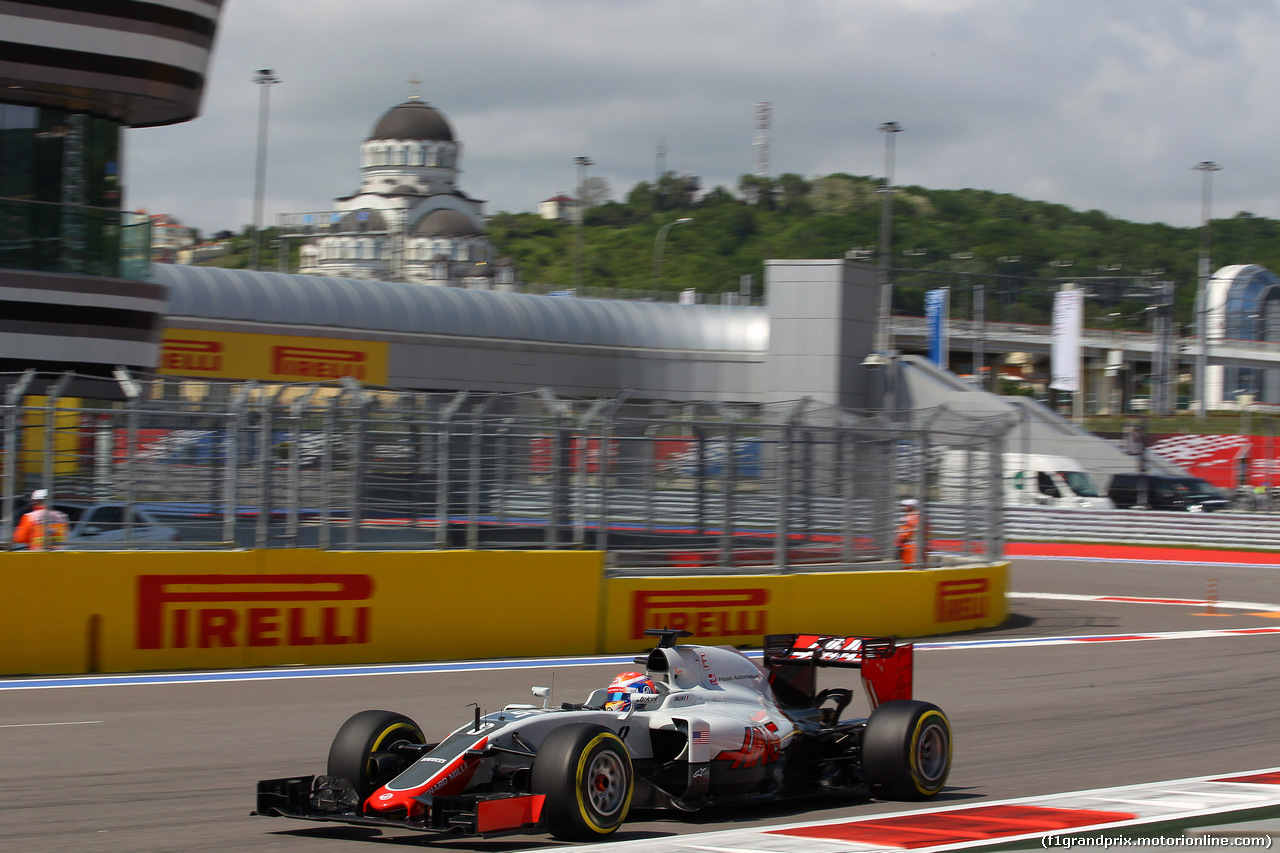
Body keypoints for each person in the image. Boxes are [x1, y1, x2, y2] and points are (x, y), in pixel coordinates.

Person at [896, 498, 922, 568]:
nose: (903, 507)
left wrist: (899, 541)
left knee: (908, 567)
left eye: (905, 506)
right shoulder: (919, 516)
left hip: (909, 546)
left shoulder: (909, 517)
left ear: (911, 506)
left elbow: (904, 532)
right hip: (916, 545)